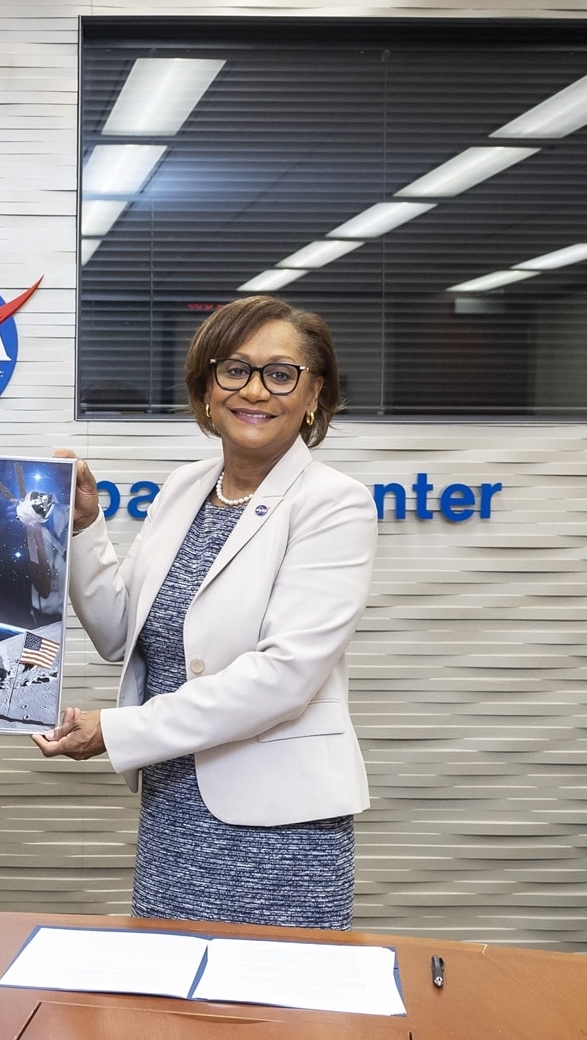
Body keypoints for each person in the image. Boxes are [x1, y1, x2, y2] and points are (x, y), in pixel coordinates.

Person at [35, 295, 378, 929]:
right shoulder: (184, 487)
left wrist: (117, 730)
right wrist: (84, 527)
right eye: (234, 369)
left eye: (280, 373)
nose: (255, 390)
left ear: (314, 394)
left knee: (274, 1016)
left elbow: (283, 679)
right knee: (168, 1010)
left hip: (280, 830)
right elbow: (119, 633)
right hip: (172, 812)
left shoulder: (336, 504)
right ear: (207, 389)